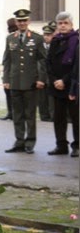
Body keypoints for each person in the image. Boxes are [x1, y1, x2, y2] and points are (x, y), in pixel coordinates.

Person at [3, 9, 47, 154]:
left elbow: (43, 60)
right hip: (15, 82)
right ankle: (19, 141)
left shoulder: (36, 38)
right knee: (17, 114)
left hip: (30, 82)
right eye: (19, 21)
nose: (22, 23)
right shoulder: (10, 38)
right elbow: (7, 61)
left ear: (28, 21)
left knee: (30, 114)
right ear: (16, 22)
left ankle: (30, 142)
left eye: (24, 20)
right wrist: (6, 79)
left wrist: (41, 79)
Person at [46, 11, 79, 157]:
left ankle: (77, 146)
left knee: (76, 118)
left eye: (66, 23)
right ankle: (61, 145)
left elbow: (76, 66)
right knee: (58, 118)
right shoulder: (55, 40)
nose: (63, 26)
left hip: (71, 85)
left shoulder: (76, 40)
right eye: (60, 23)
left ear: (71, 25)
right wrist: (54, 80)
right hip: (56, 86)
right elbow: (48, 62)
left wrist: (63, 81)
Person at [0, 17, 18, 121]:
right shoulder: (10, 37)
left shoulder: (14, 37)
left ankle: (13, 113)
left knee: (13, 93)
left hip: (13, 69)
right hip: (9, 68)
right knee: (8, 91)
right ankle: (11, 112)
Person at [39, 21, 57, 122]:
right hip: (41, 78)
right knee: (42, 99)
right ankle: (44, 116)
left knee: (51, 100)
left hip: (51, 78)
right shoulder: (40, 47)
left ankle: (53, 117)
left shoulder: (55, 47)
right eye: (45, 35)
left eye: (49, 35)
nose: (46, 37)